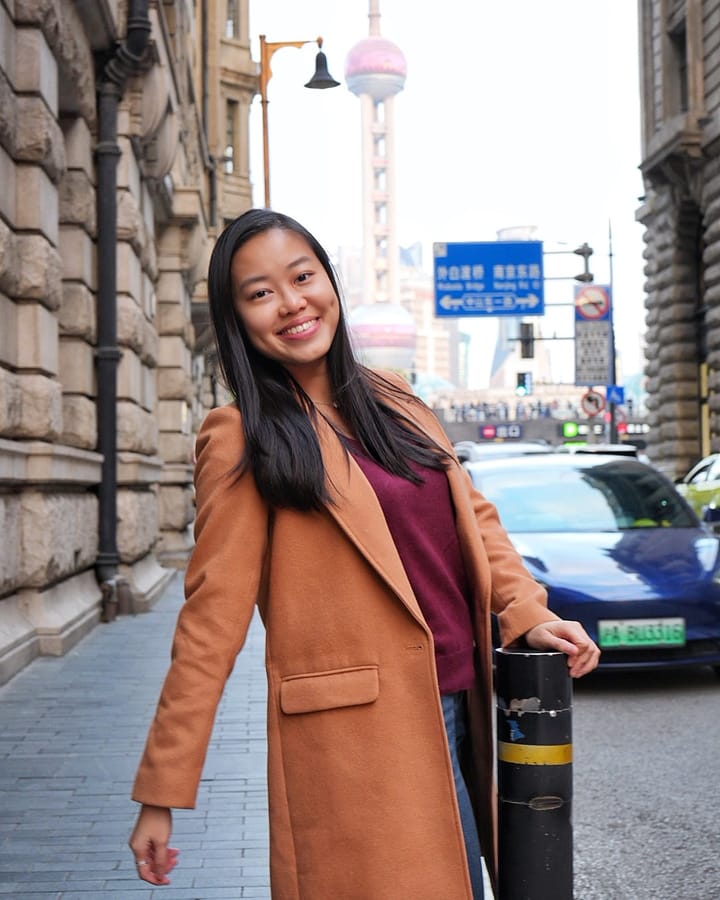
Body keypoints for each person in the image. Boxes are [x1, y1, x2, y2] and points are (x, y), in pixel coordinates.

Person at [128, 209, 600, 899]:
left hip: (461, 701)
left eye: (302, 277)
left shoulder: (396, 399)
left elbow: (473, 517)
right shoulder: (241, 436)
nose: (291, 304)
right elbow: (210, 621)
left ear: (329, 283)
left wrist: (527, 611)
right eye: (260, 293)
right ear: (238, 320)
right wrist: (162, 790)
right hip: (356, 738)